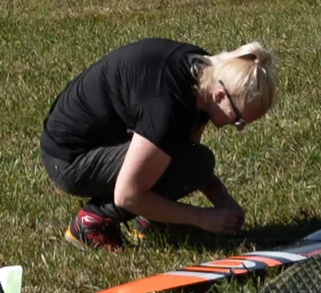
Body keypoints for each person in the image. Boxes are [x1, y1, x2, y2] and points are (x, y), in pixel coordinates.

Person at [39, 36, 275, 247]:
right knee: (190, 163)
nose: (238, 128)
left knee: (196, 162)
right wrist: (202, 218)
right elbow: (127, 195)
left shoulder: (206, 74)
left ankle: (153, 219)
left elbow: (187, 155)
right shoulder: (167, 107)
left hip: (101, 138)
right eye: (238, 120)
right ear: (220, 96)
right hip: (69, 159)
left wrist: (222, 199)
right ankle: (92, 223)